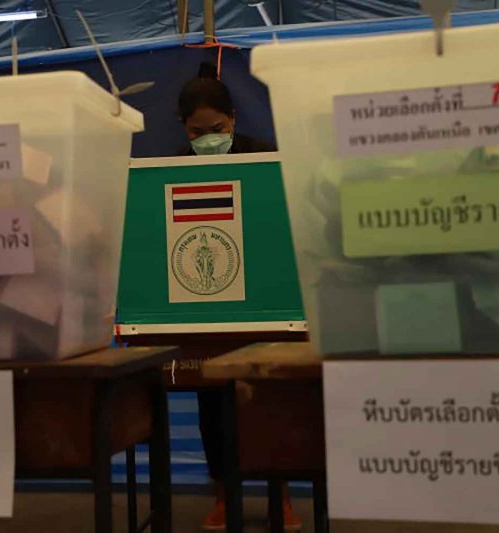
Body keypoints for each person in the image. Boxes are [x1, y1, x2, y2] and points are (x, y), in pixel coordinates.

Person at [177, 63, 301, 532]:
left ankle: (282, 495)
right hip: (207, 303)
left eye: (218, 129)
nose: (208, 137)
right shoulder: (171, 169)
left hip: (267, 298)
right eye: (197, 131)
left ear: (233, 119)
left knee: (271, 395)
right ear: (183, 128)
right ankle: (223, 497)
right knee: (214, 401)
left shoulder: (265, 158)